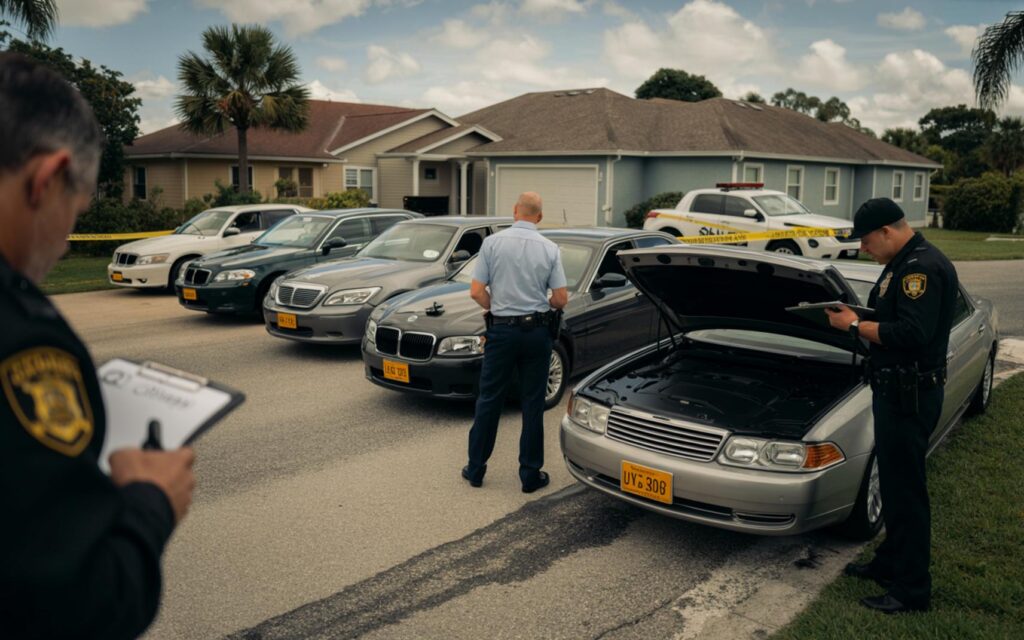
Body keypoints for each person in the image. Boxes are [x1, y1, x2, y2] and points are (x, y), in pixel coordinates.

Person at [0, 53, 196, 638]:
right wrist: (150, 500)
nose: (62, 244)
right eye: (73, 212)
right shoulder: (24, 339)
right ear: (47, 178)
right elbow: (81, 606)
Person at [825, 197, 957, 614]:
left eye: (866, 240)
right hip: (897, 392)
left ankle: (912, 590)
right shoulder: (902, 262)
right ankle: (890, 564)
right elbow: (891, 313)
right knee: (896, 488)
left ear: (887, 231)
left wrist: (852, 325)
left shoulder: (920, 269)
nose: (863, 248)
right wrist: (858, 316)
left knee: (906, 494)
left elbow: (911, 333)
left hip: (909, 396)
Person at [463, 191, 568, 493]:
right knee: (533, 402)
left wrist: (495, 306)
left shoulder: (492, 244)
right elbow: (560, 299)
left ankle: (476, 469)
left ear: (514, 212)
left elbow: (475, 291)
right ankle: (530, 475)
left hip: (502, 332)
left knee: (490, 399)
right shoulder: (550, 248)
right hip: (537, 333)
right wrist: (541, 304)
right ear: (539, 217)